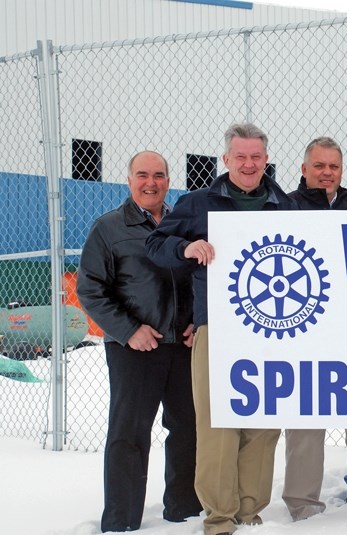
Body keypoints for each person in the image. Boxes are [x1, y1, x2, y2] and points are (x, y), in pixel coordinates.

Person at [146, 123, 296, 535]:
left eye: (256, 157)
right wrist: (185, 247)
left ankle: (251, 511)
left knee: (265, 423)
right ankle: (219, 516)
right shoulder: (197, 204)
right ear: (226, 159)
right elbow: (155, 245)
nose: (249, 164)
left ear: (267, 160)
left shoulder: (285, 204)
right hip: (219, 327)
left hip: (277, 329)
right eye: (240, 157)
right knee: (216, 422)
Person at [77, 151, 202, 532]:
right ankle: (121, 520)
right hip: (135, 349)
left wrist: (198, 321)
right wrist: (128, 330)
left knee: (188, 429)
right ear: (129, 180)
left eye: (159, 175)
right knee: (129, 433)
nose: (152, 182)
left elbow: (201, 279)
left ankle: (184, 511)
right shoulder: (109, 228)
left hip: (183, 346)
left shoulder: (183, 225)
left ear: (169, 180)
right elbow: (90, 289)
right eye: (143, 175)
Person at [281, 137, 347, 521]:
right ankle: (303, 502)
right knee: (305, 418)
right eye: (319, 166)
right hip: (303, 329)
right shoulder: (283, 208)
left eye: (334, 167)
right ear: (304, 169)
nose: (327, 173)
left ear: (343, 170)